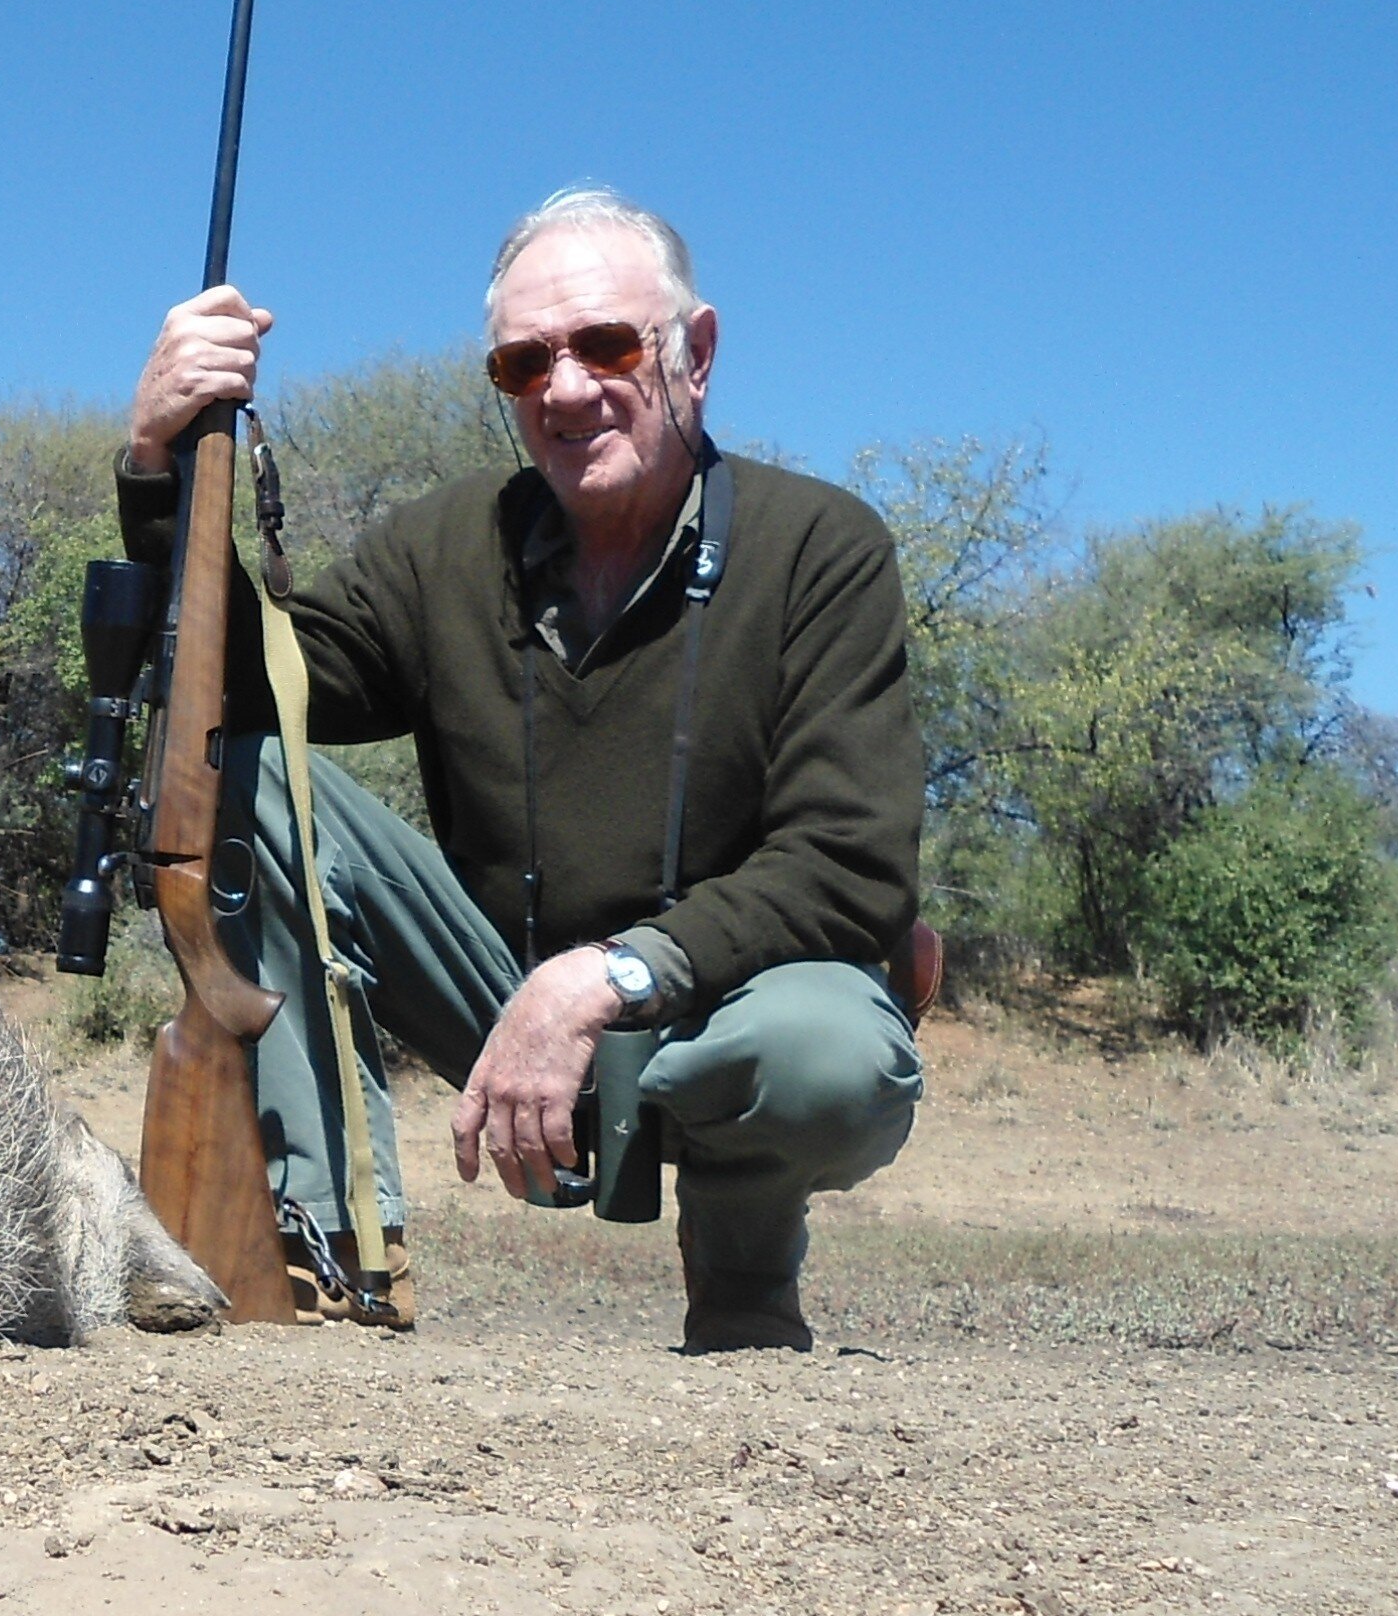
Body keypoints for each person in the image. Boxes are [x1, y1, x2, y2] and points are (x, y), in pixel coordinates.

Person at [117, 185, 925, 1350]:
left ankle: (743, 1277)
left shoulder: (823, 547)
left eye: (606, 344)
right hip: (496, 994)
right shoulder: (444, 545)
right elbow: (245, 688)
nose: (564, 387)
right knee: (242, 771)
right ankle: (329, 1254)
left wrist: (602, 979)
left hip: (717, 1003)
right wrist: (157, 462)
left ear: (694, 353)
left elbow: (848, 864)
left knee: (829, 1057)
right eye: (521, 362)